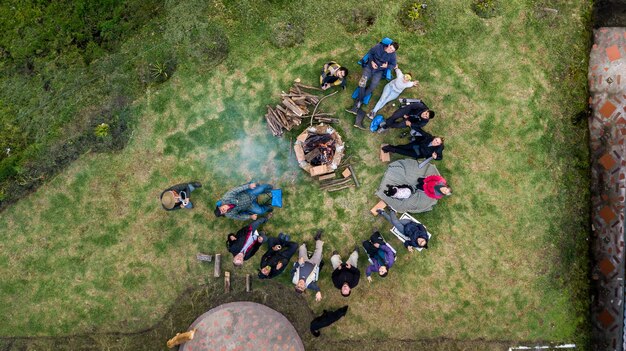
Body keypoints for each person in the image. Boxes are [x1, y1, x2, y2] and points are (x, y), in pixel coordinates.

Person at [347, 40, 400, 126]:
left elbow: (393, 64)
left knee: (373, 87)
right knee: (362, 83)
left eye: (392, 50)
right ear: (389, 45)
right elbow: (370, 53)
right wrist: (371, 62)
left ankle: (358, 101)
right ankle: (359, 102)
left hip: (379, 71)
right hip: (369, 67)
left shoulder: (393, 56)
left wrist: (387, 66)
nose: (390, 51)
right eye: (390, 48)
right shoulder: (378, 47)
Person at [292, 230, 324, 301]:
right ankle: (317, 238)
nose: (300, 285)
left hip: (304, 261)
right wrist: (318, 292)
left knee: (302, 247)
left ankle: (304, 246)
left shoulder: (293, 278)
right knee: (319, 250)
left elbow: (293, 269)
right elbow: (316, 288)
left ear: (296, 284)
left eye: (298, 286)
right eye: (302, 287)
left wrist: (298, 263)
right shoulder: (309, 285)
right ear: (304, 287)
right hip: (314, 263)